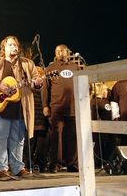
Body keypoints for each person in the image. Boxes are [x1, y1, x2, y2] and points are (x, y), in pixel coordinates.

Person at [0, 35, 42, 179]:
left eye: (15, 45)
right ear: (4, 48)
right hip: (1, 108)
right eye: (10, 45)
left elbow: (35, 79)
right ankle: (2, 168)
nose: (14, 47)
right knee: (1, 138)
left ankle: (18, 167)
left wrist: (38, 83)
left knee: (18, 139)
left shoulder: (27, 64)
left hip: (21, 107)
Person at [42, 44, 80, 173]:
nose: (60, 53)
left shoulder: (75, 67)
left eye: (62, 50)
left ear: (67, 52)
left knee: (72, 136)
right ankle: (55, 164)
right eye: (57, 51)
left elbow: (82, 84)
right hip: (56, 107)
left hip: (73, 107)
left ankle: (72, 164)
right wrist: (45, 105)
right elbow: (45, 88)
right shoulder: (51, 68)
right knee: (55, 137)